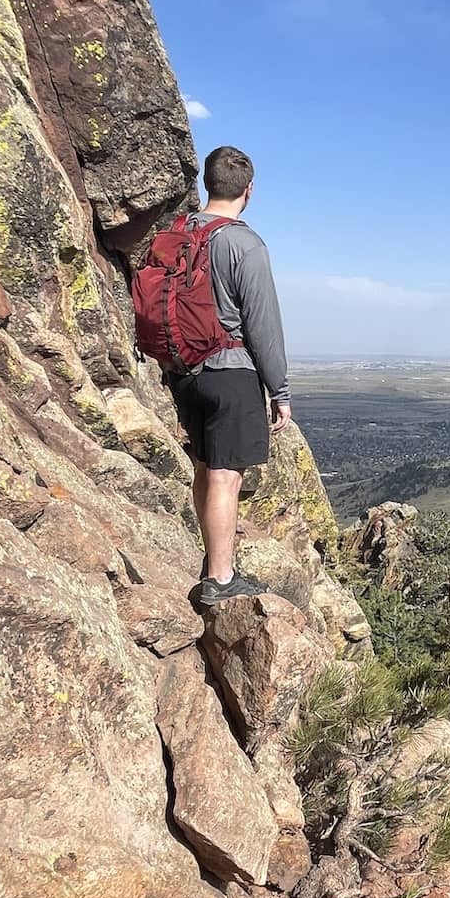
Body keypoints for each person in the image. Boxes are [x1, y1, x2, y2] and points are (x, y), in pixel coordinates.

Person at [166, 145, 292, 606]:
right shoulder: (245, 244)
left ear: (207, 183)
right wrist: (279, 390)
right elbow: (264, 327)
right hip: (230, 372)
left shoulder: (177, 234)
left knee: (205, 467)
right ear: (249, 191)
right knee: (226, 476)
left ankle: (212, 560)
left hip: (184, 372)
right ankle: (219, 578)